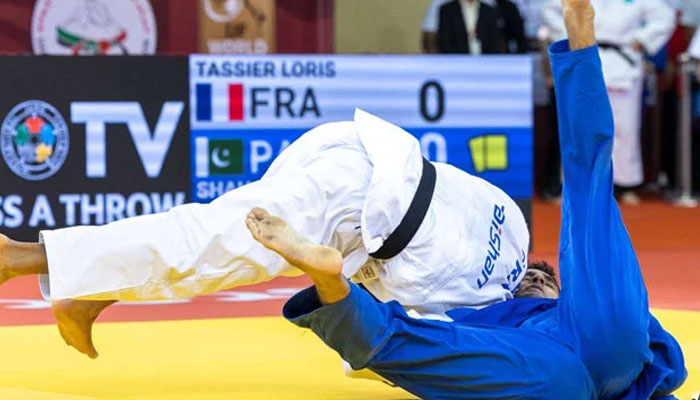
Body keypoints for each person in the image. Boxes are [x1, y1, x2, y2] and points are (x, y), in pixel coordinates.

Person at [273, 0, 687, 398]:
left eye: (544, 280)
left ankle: (578, 28)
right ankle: (334, 290)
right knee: (438, 347)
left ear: (562, 291)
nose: (537, 279)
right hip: (545, 372)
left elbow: (668, 359)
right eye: (533, 277)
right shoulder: (473, 316)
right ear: (509, 287)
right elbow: (430, 348)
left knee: (591, 193)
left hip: (600, 340)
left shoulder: (574, 305)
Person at [0, 108, 530, 358]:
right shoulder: (490, 306)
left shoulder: (516, 234)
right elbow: (381, 343)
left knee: (212, 255)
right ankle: (21, 256)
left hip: (357, 151)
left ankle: (90, 292)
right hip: (352, 202)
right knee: (205, 246)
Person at [542, 0, 675, 205]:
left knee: (625, 128)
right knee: (579, 128)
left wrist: (643, 39)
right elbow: (550, 10)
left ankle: (624, 185)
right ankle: (574, 186)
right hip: (583, 56)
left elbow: (664, 16)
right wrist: (570, 37)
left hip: (623, 61)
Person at [437, 0, 507, 54]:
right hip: (456, 63)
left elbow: (495, 41)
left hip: (485, 63)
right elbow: (444, 41)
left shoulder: (489, 10)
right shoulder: (447, 10)